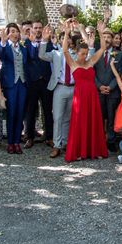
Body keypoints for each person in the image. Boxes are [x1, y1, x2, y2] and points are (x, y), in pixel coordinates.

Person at [63, 21, 108, 161]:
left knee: (93, 121)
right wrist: (66, 33)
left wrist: (101, 33)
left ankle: (95, 151)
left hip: (92, 96)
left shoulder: (90, 62)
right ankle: (79, 152)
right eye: (82, 53)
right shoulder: (73, 63)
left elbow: (102, 49)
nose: (85, 56)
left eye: (86, 53)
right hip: (80, 97)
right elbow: (64, 50)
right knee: (80, 122)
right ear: (76, 53)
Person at [39, 24, 76, 158]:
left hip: (73, 88)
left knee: (68, 117)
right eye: (63, 38)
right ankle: (56, 144)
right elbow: (42, 55)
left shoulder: (76, 54)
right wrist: (44, 40)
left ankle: (65, 142)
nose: (66, 40)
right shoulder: (55, 53)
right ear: (60, 40)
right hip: (59, 87)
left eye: (68, 38)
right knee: (58, 117)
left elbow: (89, 55)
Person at [0, 23, 28, 155]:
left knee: (20, 113)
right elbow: (1, 55)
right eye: (12, 31)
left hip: (22, 84)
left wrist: (26, 39)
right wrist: (3, 42)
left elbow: (29, 58)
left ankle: (17, 141)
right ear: (8, 33)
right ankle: (10, 142)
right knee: (11, 113)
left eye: (17, 31)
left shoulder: (23, 48)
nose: (15, 34)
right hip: (10, 84)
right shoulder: (3, 46)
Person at [23, 19, 54, 149]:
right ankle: (29, 137)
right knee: (31, 111)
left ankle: (49, 137)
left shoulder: (48, 43)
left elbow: (52, 56)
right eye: (35, 28)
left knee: (47, 110)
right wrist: (31, 42)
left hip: (46, 81)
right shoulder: (26, 43)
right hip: (32, 82)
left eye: (40, 28)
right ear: (31, 29)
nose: (38, 30)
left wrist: (45, 41)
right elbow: (28, 57)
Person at [94, 29, 122, 152]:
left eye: (108, 37)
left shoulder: (119, 55)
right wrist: (99, 86)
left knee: (111, 117)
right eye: (103, 37)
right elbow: (92, 72)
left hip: (113, 91)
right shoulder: (96, 53)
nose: (106, 39)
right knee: (99, 117)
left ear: (112, 40)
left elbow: (120, 73)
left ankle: (111, 140)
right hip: (98, 90)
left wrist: (111, 86)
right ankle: (99, 141)